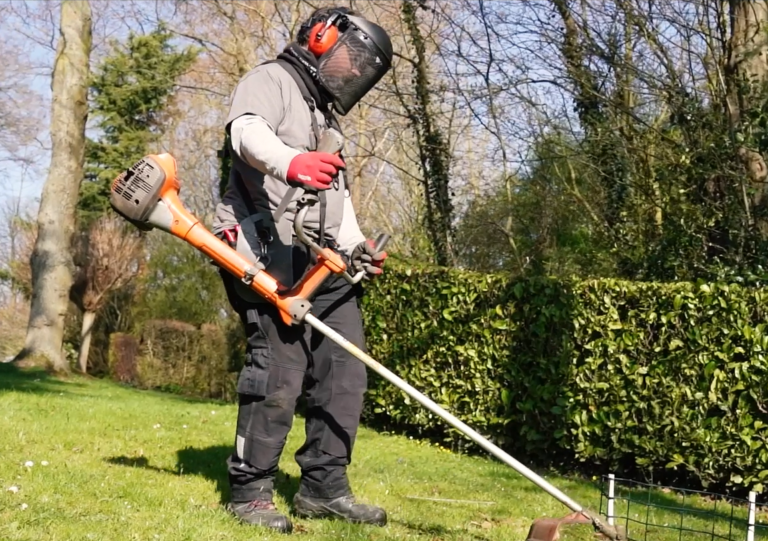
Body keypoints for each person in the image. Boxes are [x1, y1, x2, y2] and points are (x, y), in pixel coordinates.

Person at [210, 6, 394, 534]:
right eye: (353, 59)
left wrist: (358, 247)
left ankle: (324, 488)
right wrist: (290, 162)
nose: (355, 73)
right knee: (279, 371)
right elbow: (246, 135)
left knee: (345, 371)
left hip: (321, 260)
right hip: (263, 250)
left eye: (365, 68)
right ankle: (250, 492)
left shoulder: (328, 119)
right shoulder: (270, 80)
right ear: (321, 37)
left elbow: (340, 197)